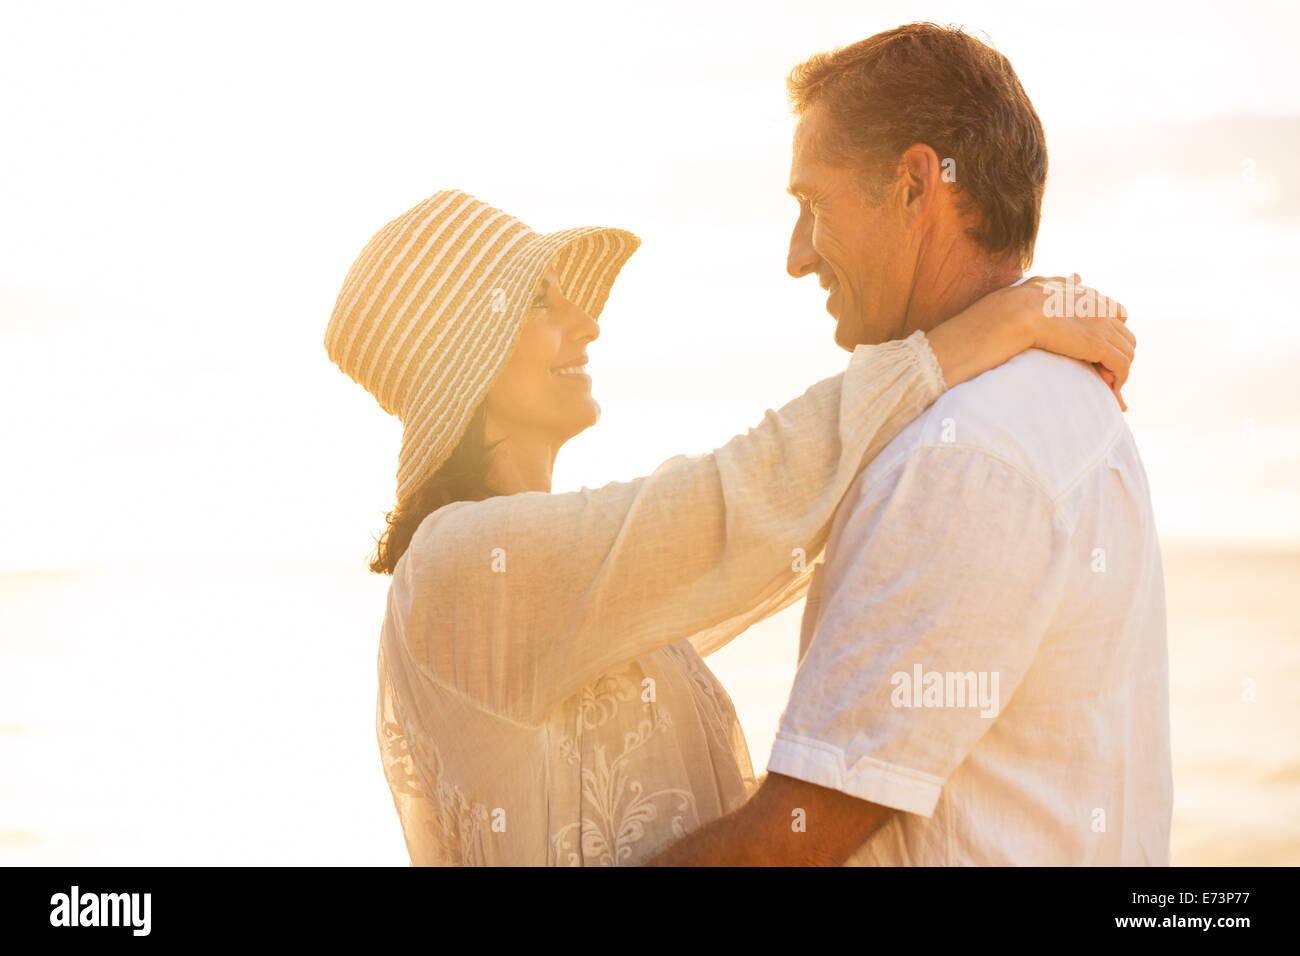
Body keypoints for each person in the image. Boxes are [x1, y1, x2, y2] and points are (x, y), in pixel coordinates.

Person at [322, 188, 1134, 865]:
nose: (587, 324)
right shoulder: (465, 567)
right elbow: (738, 500)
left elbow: (765, 539)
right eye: (541, 303)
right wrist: (992, 329)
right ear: (466, 360)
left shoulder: (554, 585)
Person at [649, 23, 1170, 867]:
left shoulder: (962, 453)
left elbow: (789, 847)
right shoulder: (1060, 404)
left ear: (917, 188)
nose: (796, 256)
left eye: (811, 203)